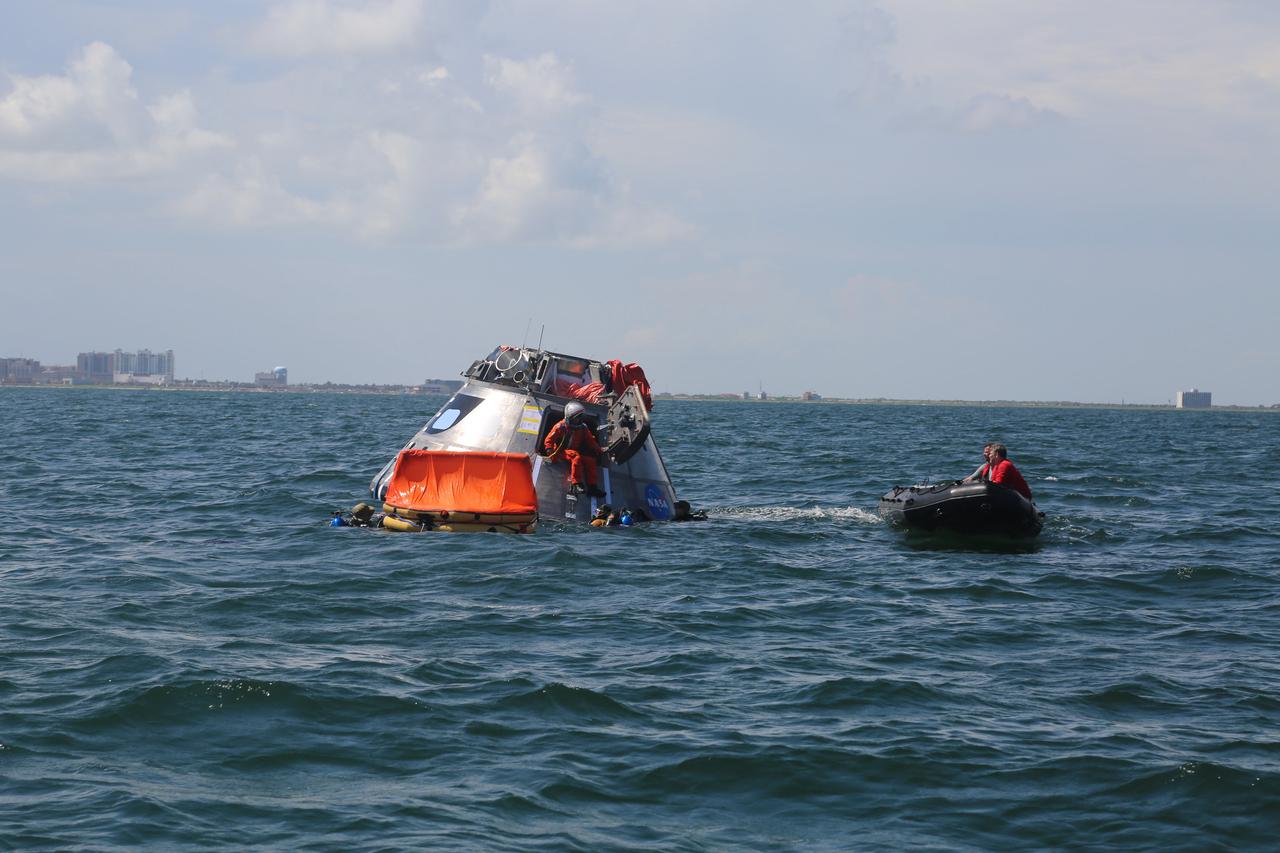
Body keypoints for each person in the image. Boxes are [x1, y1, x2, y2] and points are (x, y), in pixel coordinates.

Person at [543, 401, 606, 497]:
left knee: (590, 461)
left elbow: (591, 442)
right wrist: (549, 449)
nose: (579, 420)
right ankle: (576, 483)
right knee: (575, 456)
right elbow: (549, 439)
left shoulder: (583, 428)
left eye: (580, 417)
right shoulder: (560, 426)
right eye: (577, 418)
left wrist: (599, 450)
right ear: (570, 418)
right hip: (560, 452)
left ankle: (592, 487)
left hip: (572, 451)